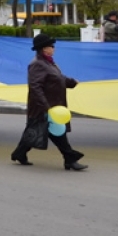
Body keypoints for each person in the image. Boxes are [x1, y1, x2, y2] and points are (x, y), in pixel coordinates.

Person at [10, 33, 87, 171]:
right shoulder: (37, 64)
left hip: (52, 105)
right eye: (51, 46)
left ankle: (19, 153)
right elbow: (35, 86)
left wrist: (72, 82)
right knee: (57, 133)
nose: (54, 48)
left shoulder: (49, 63)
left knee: (35, 130)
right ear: (44, 49)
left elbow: (58, 78)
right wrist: (46, 107)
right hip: (45, 106)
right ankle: (70, 158)